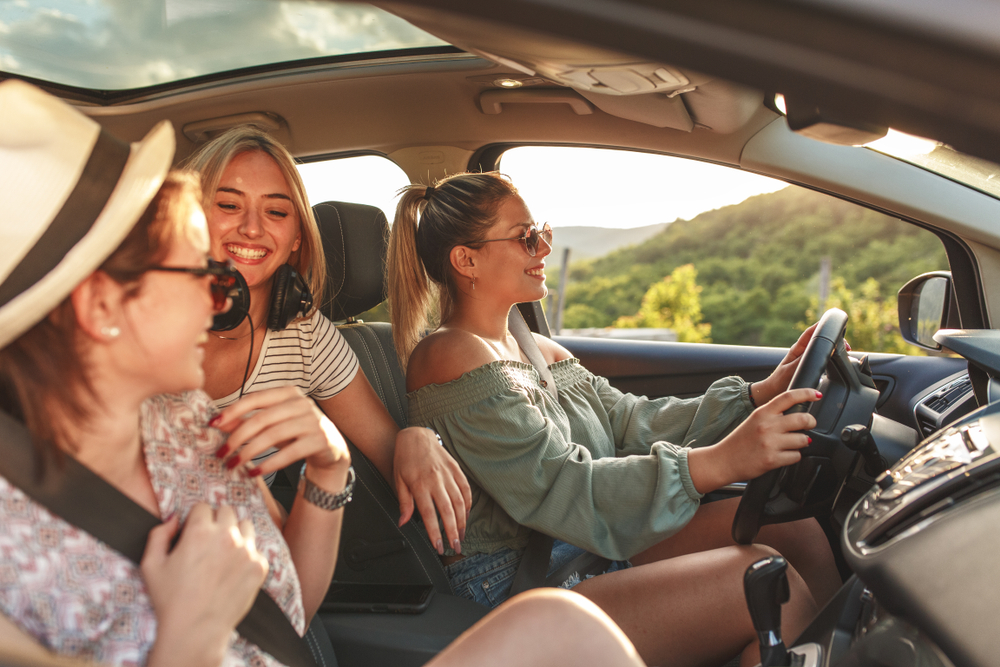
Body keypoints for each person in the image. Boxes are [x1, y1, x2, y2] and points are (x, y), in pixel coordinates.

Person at [0, 80, 648, 667]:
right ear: (104, 306)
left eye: (274, 214)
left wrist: (328, 468)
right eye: (195, 270)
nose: (216, 297)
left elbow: (291, 615)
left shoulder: (191, 422)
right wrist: (189, 637)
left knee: (561, 627)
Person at [387, 172, 841, 667]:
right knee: (765, 582)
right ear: (466, 259)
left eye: (542, 231)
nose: (542, 248)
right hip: (517, 581)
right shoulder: (449, 355)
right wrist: (718, 462)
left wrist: (756, 395)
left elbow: (632, 423)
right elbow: (561, 485)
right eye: (525, 237)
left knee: (795, 530)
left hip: (581, 545)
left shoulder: (537, 350)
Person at [181, 127, 470, 554]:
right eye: (228, 205)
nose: (252, 228)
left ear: (297, 236)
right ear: (185, 217)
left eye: (277, 213)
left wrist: (419, 438)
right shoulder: (136, 327)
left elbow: (389, 449)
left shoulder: (304, 334)